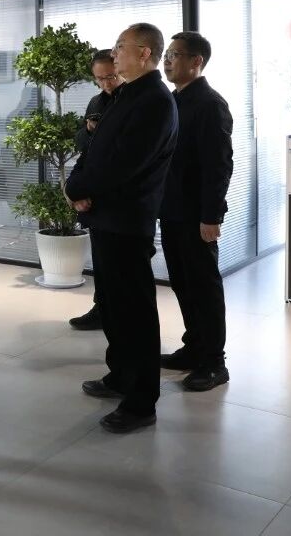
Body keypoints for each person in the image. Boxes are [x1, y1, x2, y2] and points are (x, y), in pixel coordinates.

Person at [65, 23, 177, 434]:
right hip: (106, 215)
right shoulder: (127, 94)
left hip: (127, 219)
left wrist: (80, 188)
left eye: (120, 47)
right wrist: (76, 185)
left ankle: (142, 401)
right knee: (113, 304)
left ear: (144, 53)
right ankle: (121, 375)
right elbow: (95, 149)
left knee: (135, 311)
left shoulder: (154, 100)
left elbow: (124, 163)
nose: (114, 54)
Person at [159, 32, 234, 392]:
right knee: (182, 283)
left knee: (204, 287)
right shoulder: (174, 99)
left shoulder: (209, 103)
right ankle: (194, 348)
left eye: (175, 55)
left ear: (196, 61)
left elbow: (218, 165)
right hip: (172, 209)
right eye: (167, 55)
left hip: (196, 214)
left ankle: (214, 362)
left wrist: (211, 216)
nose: (167, 61)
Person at [69, 50, 122, 331]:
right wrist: (90, 131)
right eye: (99, 79)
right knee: (101, 260)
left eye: (111, 76)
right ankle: (101, 308)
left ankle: (118, 316)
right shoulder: (96, 101)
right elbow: (82, 145)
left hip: (121, 196)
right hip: (96, 195)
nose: (106, 84)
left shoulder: (133, 100)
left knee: (122, 266)